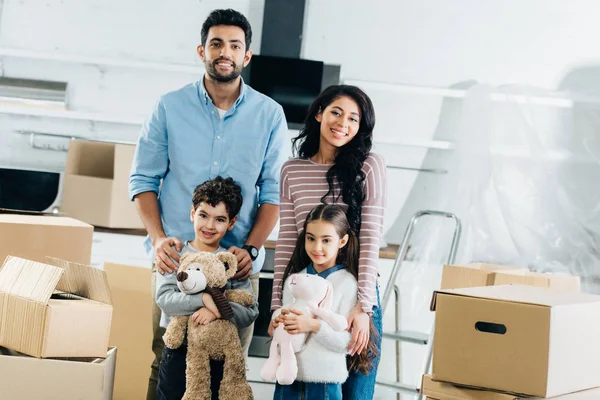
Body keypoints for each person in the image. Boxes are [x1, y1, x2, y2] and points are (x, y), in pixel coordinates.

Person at [128, 8, 288, 399]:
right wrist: (159, 237)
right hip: (176, 261)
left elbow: (273, 193)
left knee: (230, 365)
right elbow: (143, 180)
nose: (225, 52)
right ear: (202, 50)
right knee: (163, 359)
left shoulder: (269, 115)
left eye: (235, 45)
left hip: (238, 264)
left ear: (246, 56)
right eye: (216, 43)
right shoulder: (168, 107)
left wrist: (251, 247)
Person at [270, 85, 386, 399]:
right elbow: (288, 243)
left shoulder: (369, 166)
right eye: (336, 112)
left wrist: (364, 307)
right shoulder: (292, 171)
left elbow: (371, 238)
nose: (343, 123)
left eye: (353, 119)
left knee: (355, 393)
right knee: (295, 386)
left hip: (355, 294)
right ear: (320, 113)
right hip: (306, 293)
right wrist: (277, 309)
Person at [155, 176, 258, 400]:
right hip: (177, 352)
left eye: (220, 219)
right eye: (203, 216)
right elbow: (164, 299)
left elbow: (250, 311)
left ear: (231, 223)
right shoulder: (176, 255)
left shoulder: (232, 261)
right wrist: (203, 300)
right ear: (193, 213)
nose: (210, 226)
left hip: (218, 357)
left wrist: (216, 310)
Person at [270, 204, 378, 400]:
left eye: (326, 240)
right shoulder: (295, 281)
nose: (316, 247)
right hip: (288, 379)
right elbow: (284, 338)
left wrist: (313, 326)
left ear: (342, 241)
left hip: (325, 384)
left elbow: (345, 343)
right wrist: (279, 326)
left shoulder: (348, 284)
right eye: (310, 238)